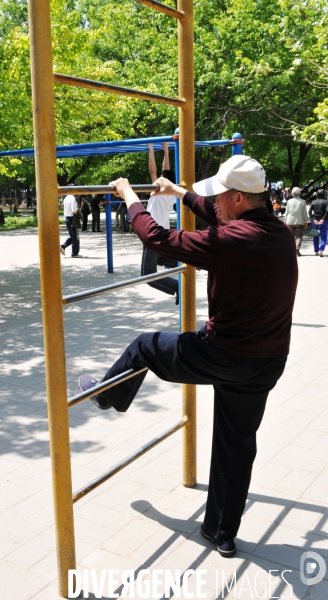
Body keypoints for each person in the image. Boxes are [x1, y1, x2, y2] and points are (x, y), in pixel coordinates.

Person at [78, 154, 298, 558]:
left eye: (221, 197)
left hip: (225, 354)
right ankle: (220, 532)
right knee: (237, 445)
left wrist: (129, 196)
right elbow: (214, 214)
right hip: (267, 362)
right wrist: (178, 191)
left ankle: (108, 394)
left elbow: (158, 240)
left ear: (236, 198)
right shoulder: (278, 233)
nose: (216, 204)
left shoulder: (234, 241)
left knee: (146, 345)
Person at [141, 143, 178, 302]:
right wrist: (166, 150)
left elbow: (153, 171)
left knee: (148, 274)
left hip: (154, 234)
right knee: (161, 259)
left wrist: (150, 149)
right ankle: (185, 260)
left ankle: (177, 287)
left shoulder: (158, 193)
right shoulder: (172, 194)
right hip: (162, 234)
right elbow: (165, 171)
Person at [284, 186, 308, 256]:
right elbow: (304, 212)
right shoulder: (303, 201)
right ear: (299, 193)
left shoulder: (289, 201)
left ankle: (291, 250)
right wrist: (306, 221)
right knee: (299, 236)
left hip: (289, 221)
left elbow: (286, 212)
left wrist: (285, 222)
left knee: (291, 236)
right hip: (299, 221)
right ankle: (297, 249)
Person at [60, 191, 81, 257]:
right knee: (75, 237)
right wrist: (79, 212)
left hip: (67, 218)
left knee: (72, 235)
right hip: (72, 219)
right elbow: (74, 211)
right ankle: (74, 253)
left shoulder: (66, 198)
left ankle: (63, 246)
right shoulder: (73, 199)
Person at [309, 189, 328, 257]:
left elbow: (310, 212)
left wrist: (313, 219)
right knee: (324, 237)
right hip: (324, 221)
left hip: (315, 222)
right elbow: (327, 211)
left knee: (315, 236)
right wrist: (323, 219)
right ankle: (321, 249)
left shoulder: (313, 202)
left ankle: (316, 251)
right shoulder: (326, 202)